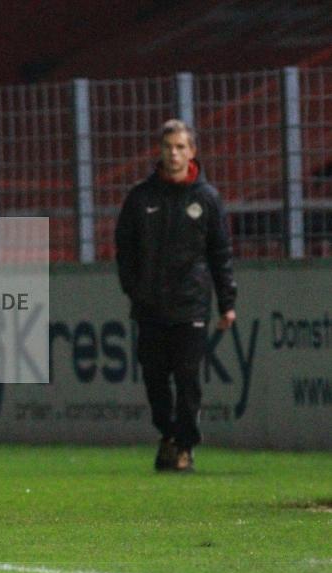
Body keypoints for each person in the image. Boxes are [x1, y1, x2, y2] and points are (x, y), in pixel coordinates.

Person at [115, 119, 237, 472]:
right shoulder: (141, 197)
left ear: (192, 152)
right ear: (160, 150)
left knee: (187, 379)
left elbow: (221, 253)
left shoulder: (206, 198)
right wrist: (133, 289)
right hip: (150, 306)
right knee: (154, 379)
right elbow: (124, 248)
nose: (174, 153)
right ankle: (167, 435)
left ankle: (184, 445)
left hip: (191, 304)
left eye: (181, 147)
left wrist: (227, 303)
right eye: (169, 146)